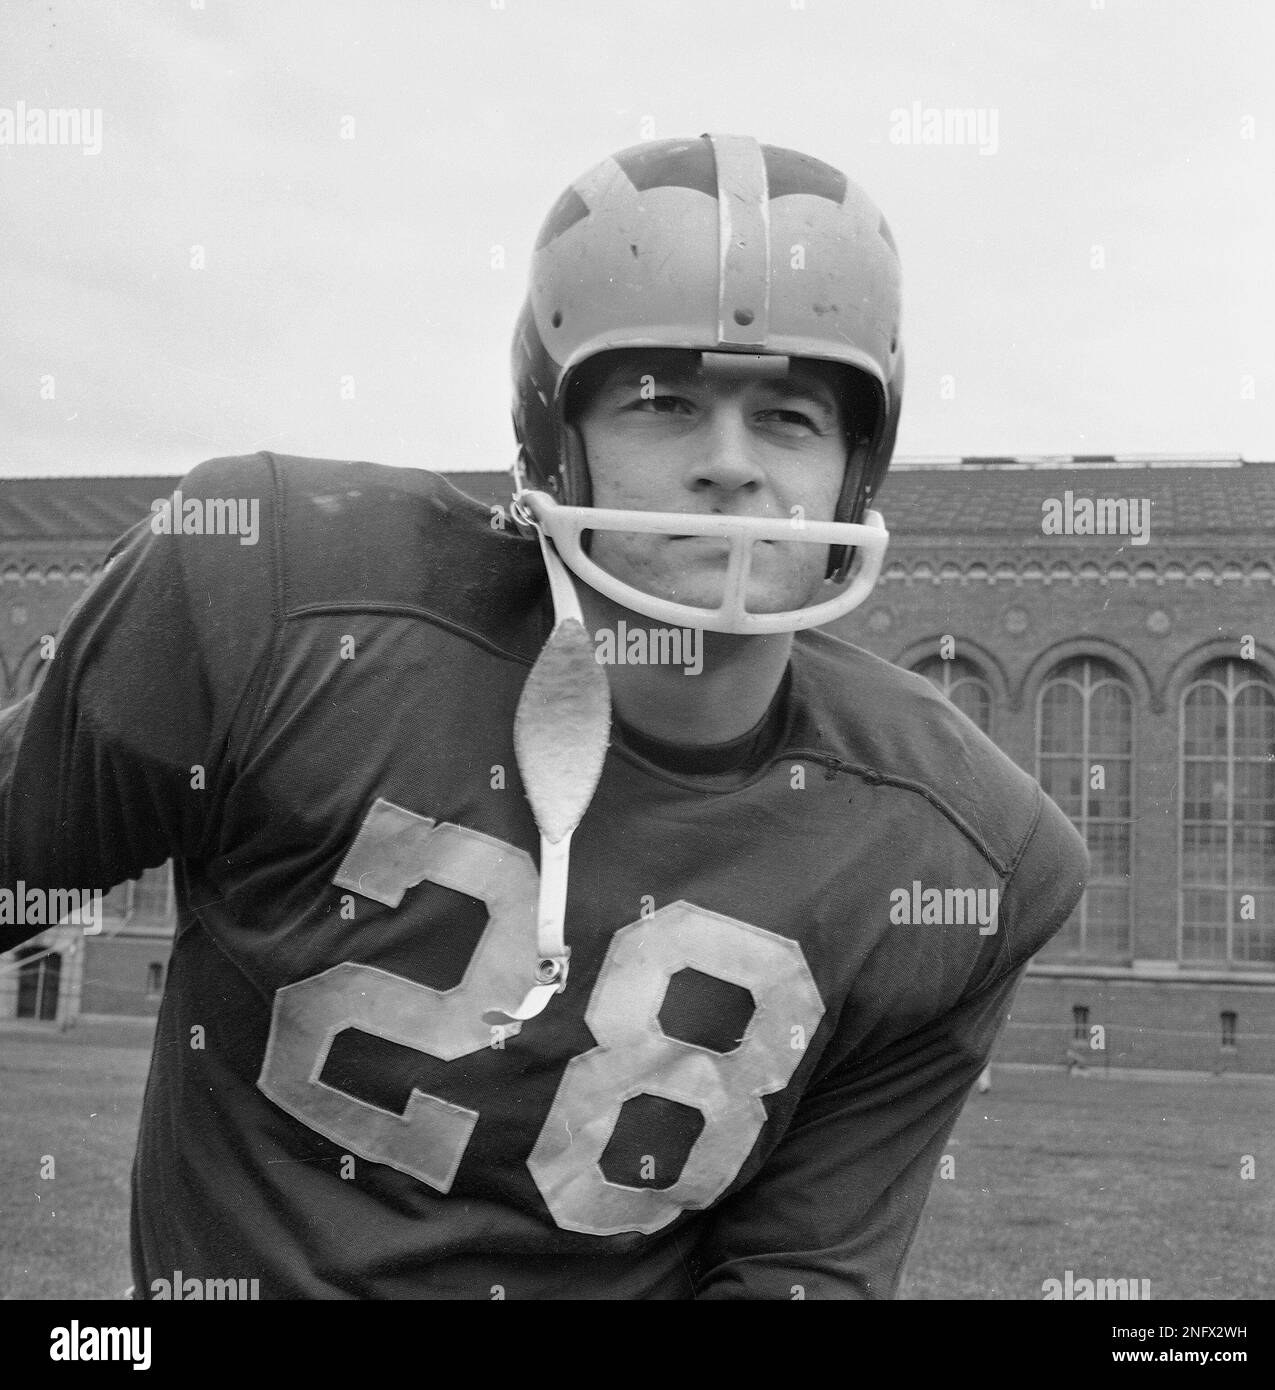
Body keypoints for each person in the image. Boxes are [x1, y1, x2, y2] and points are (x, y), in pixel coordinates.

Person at [0, 134, 1088, 1300]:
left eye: (787, 416)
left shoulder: (966, 851)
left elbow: (792, 1275)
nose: (729, 464)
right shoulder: (269, 597)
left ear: (855, 464)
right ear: (552, 439)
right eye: (661, 401)